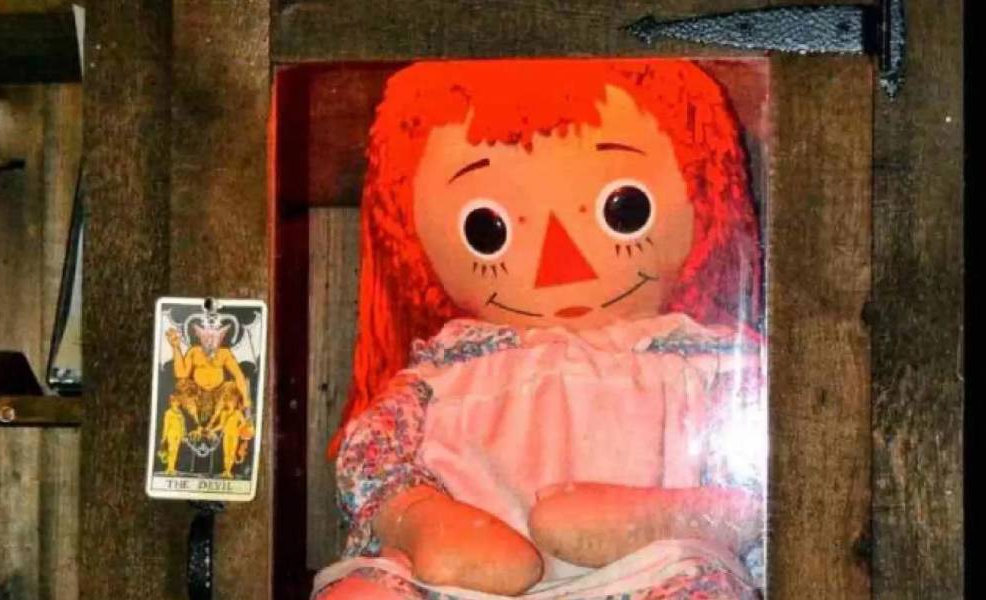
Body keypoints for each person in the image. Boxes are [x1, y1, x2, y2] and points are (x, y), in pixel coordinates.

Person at [317, 59, 765, 599]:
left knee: (701, 582)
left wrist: (711, 512)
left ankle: (666, 518)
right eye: (488, 230)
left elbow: (768, 475)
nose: (560, 261)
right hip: (452, 582)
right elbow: (375, 452)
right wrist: (417, 513)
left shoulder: (703, 363)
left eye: (625, 211)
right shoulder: (444, 371)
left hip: (651, 572)